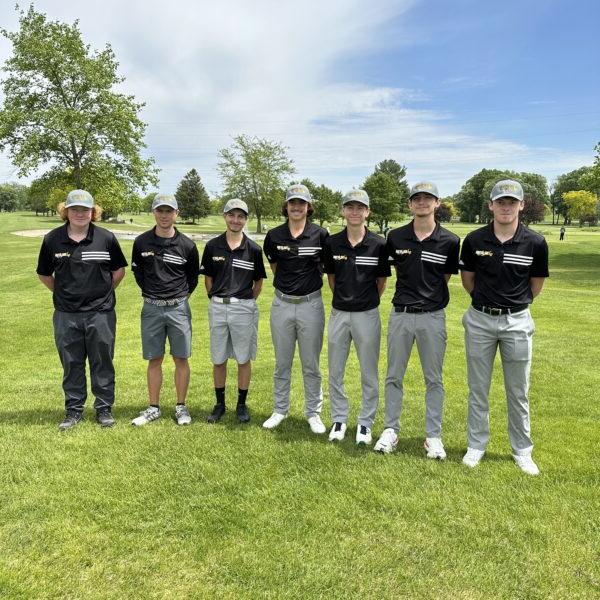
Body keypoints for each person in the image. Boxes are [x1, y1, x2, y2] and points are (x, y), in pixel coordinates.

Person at [460, 179, 549, 475]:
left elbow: (536, 285)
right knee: (478, 388)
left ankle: (522, 450)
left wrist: (512, 305)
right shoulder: (474, 240)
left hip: (517, 320)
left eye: (512, 202)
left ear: (521, 205)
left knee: (518, 389)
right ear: (491, 205)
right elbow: (468, 280)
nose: (506, 207)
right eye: (501, 202)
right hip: (480, 319)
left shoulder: (535, 242)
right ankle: (476, 445)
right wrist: (487, 305)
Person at [374, 182, 459, 459]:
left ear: (437, 203)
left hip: (432, 317)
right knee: (393, 376)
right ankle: (390, 430)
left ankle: (433, 436)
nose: (422, 202)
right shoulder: (396, 237)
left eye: (428, 198)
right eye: (417, 198)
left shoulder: (450, 240)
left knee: (433, 379)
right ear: (410, 204)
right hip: (401, 315)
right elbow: (390, 273)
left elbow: (443, 278)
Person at [37, 189, 127, 430]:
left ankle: (104, 408)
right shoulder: (52, 239)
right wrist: (63, 293)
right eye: (74, 209)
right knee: (71, 362)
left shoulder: (106, 238)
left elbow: (119, 271)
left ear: (93, 212)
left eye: (85, 209)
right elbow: (44, 274)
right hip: (66, 315)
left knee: (102, 361)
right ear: (65, 211)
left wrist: (103, 293)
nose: (79, 213)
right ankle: (73, 410)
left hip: (101, 313)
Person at [323, 189, 390, 444]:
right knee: (336, 370)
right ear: (343, 211)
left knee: (369, 372)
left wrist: (364, 301)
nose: (354, 212)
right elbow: (331, 278)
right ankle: (339, 418)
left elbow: (381, 281)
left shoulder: (379, 243)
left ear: (367, 212)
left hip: (367, 314)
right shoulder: (332, 243)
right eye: (349, 207)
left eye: (359, 207)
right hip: (339, 313)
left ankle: (365, 422)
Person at [262, 184, 329, 434]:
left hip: (311, 305)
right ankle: (280, 410)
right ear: (286, 206)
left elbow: (325, 268)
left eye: (301, 203)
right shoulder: (274, 235)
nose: (297, 207)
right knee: (282, 363)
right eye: (292, 203)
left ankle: (313, 413)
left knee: (311, 363)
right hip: (282, 304)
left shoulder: (321, 235)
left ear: (308, 207)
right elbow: (275, 267)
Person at [130, 193, 199, 426]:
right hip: (151, 308)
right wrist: (154, 294)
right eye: (160, 210)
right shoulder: (141, 243)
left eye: (169, 211)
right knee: (154, 359)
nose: (164, 215)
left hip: (178, 308)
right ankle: (153, 407)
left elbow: (192, 280)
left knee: (181, 358)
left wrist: (176, 297)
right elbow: (138, 273)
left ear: (176, 214)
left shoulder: (187, 245)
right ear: (154, 213)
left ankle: (181, 406)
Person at [200, 199, 267, 423]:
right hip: (218, 307)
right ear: (225, 216)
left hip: (243, 308)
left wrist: (245, 302)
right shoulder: (212, 246)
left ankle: (241, 404)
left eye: (240, 216)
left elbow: (258, 283)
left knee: (243, 358)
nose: (235, 220)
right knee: (218, 359)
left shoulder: (254, 250)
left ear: (245, 219)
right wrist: (215, 298)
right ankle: (220, 404)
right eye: (231, 215)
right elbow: (208, 279)